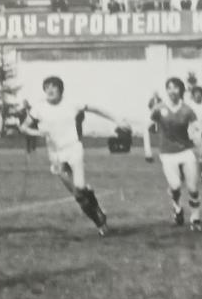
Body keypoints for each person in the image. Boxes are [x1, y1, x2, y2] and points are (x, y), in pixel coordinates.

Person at [20, 76, 129, 235]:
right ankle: (100, 222)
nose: (50, 90)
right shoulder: (38, 108)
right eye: (47, 87)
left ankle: (95, 205)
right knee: (78, 196)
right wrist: (37, 131)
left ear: (60, 89)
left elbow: (97, 109)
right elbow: (23, 127)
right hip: (55, 155)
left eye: (54, 87)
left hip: (73, 149)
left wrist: (118, 120)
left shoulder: (72, 103)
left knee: (79, 187)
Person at [150, 78, 202, 231]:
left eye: (175, 88)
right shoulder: (159, 108)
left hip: (186, 151)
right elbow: (147, 127)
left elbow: (197, 129)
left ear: (181, 91)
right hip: (167, 153)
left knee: (193, 187)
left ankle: (195, 218)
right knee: (175, 186)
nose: (172, 91)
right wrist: (147, 149)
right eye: (169, 88)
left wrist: (199, 143)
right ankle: (177, 207)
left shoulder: (187, 110)